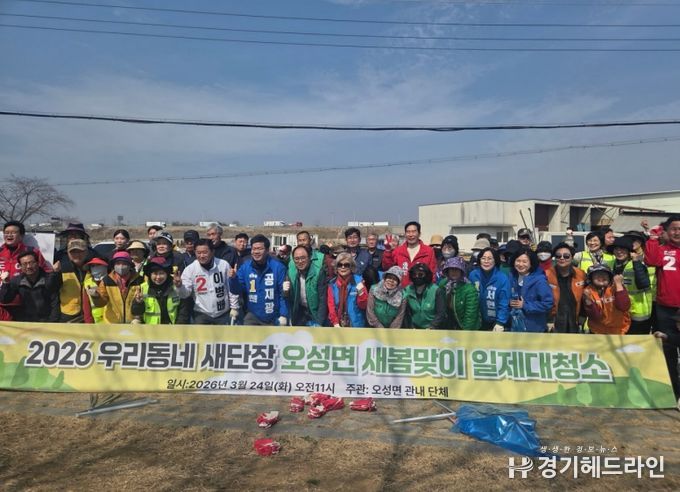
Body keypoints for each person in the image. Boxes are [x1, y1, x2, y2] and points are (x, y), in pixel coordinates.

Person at [645, 215, 680, 400]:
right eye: (674, 229)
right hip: (665, 309)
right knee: (668, 351)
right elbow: (650, 260)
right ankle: (672, 392)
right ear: (667, 231)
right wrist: (653, 237)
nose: (677, 232)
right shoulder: (663, 250)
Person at [179, 239, 240, 325]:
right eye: (198, 253)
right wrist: (179, 286)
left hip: (223, 313)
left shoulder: (223, 265)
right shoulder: (190, 269)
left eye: (205, 252)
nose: (201, 256)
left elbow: (231, 288)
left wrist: (234, 307)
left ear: (212, 252)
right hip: (201, 313)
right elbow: (185, 294)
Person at [235, 234, 289, 326]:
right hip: (253, 314)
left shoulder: (278, 267)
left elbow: (283, 294)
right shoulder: (245, 267)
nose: (256, 252)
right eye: (254, 249)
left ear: (267, 250)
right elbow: (236, 290)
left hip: (273, 316)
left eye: (260, 249)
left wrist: (283, 314)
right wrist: (233, 279)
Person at [0, 220, 50, 317]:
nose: (9, 235)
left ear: (21, 236)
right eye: (6, 232)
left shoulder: (32, 252)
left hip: (25, 303)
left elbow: (45, 272)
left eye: (13, 232)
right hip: (2, 302)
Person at [608, 236, 652, 334]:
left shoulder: (637, 264)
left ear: (629, 251)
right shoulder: (609, 264)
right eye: (616, 249)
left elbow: (644, 284)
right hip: (617, 311)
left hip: (637, 313)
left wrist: (636, 262)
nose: (619, 252)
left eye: (623, 249)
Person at [0, 250, 59, 322]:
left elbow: (55, 303)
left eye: (31, 263)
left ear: (38, 263)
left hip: (47, 321)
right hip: (26, 322)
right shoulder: (17, 280)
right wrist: (6, 283)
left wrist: (52, 323)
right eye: (24, 264)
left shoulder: (48, 279)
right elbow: (4, 300)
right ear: (20, 266)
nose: (28, 266)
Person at [544, 243, 587, 333]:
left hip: (574, 320)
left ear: (572, 257)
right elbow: (543, 299)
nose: (562, 258)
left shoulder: (581, 274)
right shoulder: (546, 275)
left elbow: (585, 297)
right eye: (558, 256)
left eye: (566, 256)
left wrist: (582, 316)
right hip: (554, 321)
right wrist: (549, 320)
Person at [93, 251, 145, 324]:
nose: (121, 266)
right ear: (113, 265)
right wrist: (96, 296)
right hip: (112, 322)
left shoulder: (140, 280)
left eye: (124, 264)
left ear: (130, 265)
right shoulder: (106, 280)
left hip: (133, 323)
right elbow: (101, 303)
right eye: (118, 263)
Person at [509, 249, 554, 332]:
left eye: (525, 262)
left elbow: (548, 303)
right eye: (518, 261)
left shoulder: (540, 280)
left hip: (534, 327)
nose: (521, 264)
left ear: (531, 263)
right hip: (514, 325)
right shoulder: (511, 276)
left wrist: (525, 305)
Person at [382, 221, 437, 287]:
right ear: (405, 234)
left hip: (421, 290)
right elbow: (387, 268)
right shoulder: (398, 251)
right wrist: (388, 251)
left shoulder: (428, 251)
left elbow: (432, 273)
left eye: (414, 231)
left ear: (419, 234)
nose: (411, 235)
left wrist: (429, 289)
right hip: (402, 290)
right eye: (408, 232)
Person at [468, 247, 511, 331]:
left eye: (490, 258)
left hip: (496, 321)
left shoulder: (502, 278)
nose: (486, 261)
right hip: (477, 320)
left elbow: (504, 302)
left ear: (495, 260)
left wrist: (500, 322)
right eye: (483, 258)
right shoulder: (473, 275)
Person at [131, 257, 181, 324]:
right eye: (155, 273)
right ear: (150, 275)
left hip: (173, 327)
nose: (158, 277)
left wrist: (179, 327)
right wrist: (138, 303)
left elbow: (183, 310)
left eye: (161, 273)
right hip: (150, 328)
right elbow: (136, 312)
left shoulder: (176, 286)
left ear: (167, 274)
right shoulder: (142, 288)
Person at [582, 264, 630, 335]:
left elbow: (624, 306)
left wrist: (619, 285)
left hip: (619, 331)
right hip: (597, 332)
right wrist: (588, 301)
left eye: (604, 274)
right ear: (591, 278)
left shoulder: (616, 287)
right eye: (597, 274)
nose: (601, 276)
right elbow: (595, 317)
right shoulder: (588, 291)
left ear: (610, 277)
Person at [55, 239, 96, 323]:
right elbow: (51, 289)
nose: (77, 255)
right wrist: (54, 274)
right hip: (68, 315)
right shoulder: (61, 268)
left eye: (80, 252)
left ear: (86, 252)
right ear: (68, 253)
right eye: (73, 252)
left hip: (92, 314)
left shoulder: (94, 267)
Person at [287, 245, 327, 326]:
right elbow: (287, 296)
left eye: (303, 258)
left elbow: (323, 300)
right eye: (296, 259)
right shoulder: (290, 273)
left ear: (309, 258)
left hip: (315, 312)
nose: (300, 261)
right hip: (299, 313)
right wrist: (285, 291)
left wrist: (319, 323)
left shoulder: (318, 272)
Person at [327, 253, 368, 328]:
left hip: (356, 324)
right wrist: (335, 323)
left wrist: (361, 294)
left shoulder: (359, 282)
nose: (343, 267)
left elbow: (364, 306)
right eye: (340, 265)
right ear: (336, 267)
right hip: (338, 324)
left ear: (351, 267)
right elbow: (331, 306)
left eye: (346, 265)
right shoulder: (332, 284)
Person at [440, 257, 480, 330]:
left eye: (457, 269)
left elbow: (470, 315)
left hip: (465, 327)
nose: (454, 272)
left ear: (462, 271)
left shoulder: (469, 289)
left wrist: (465, 332)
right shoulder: (443, 284)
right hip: (449, 325)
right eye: (451, 269)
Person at [403, 263, 447, 329]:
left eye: (420, 275)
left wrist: (432, 326)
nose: (417, 277)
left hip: (433, 328)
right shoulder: (407, 290)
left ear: (427, 275)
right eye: (414, 275)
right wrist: (411, 327)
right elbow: (406, 313)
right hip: (414, 329)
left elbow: (441, 313)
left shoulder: (436, 290)